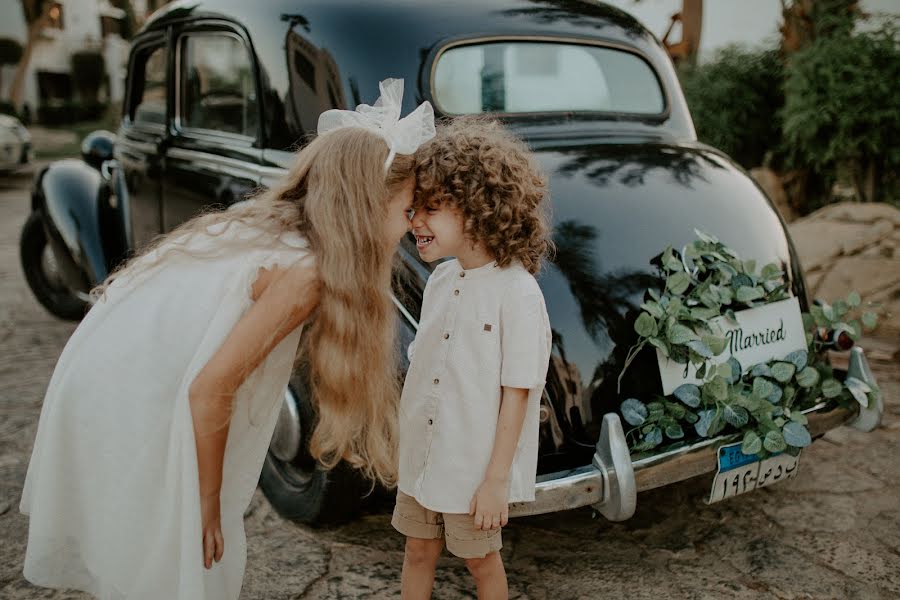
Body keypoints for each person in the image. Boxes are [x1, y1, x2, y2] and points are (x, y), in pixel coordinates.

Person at [20, 79, 434, 600]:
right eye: (406, 210)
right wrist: (207, 502)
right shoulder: (305, 272)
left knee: (156, 546)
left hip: (114, 369)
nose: (411, 226)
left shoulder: (279, 226)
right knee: (187, 551)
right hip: (138, 393)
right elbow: (209, 389)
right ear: (367, 208)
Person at [393, 117, 553, 600]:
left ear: (479, 209)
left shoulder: (517, 292)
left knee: (481, 561)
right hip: (423, 456)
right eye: (412, 208)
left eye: (431, 208)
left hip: (473, 467)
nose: (414, 221)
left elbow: (518, 390)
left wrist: (496, 481)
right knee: (417, 551)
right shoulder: (441, 281)